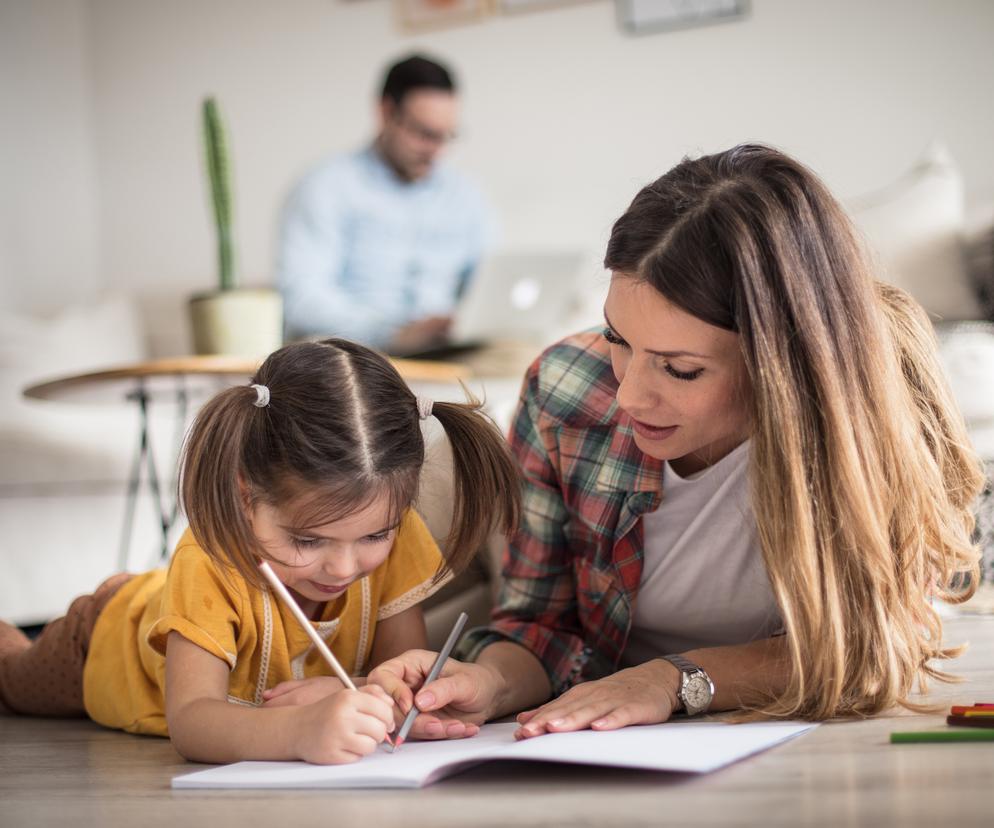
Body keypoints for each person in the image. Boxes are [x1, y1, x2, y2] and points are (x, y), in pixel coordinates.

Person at [367, 143, 985, 741]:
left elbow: (874, 649)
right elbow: (542, 626)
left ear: (780, 362)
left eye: (679, 369)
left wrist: (675, 681)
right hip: (614, 736)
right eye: (617, 338)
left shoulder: (876, 404)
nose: (630, 396)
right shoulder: (564, 389)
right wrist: (487, 682)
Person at [0, 338, 519, 764]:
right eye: (307, 540)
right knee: (10, 680)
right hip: (103, 637)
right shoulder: (208, 560)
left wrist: (380, 699)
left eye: (373, 536)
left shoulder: (401, 536)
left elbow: (391, 674)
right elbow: (194, 722)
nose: (343, 567)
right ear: (246, 497)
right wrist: (296, 730)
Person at [277, 54, 494, 355]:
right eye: (424, 134)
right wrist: (391, 334)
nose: (436, 150)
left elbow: (486, 282)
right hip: (358, 359)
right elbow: (301, 299)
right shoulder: (325, 186)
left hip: (447, 355)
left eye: (446, 136)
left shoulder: (465, 194)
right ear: (386, 111)